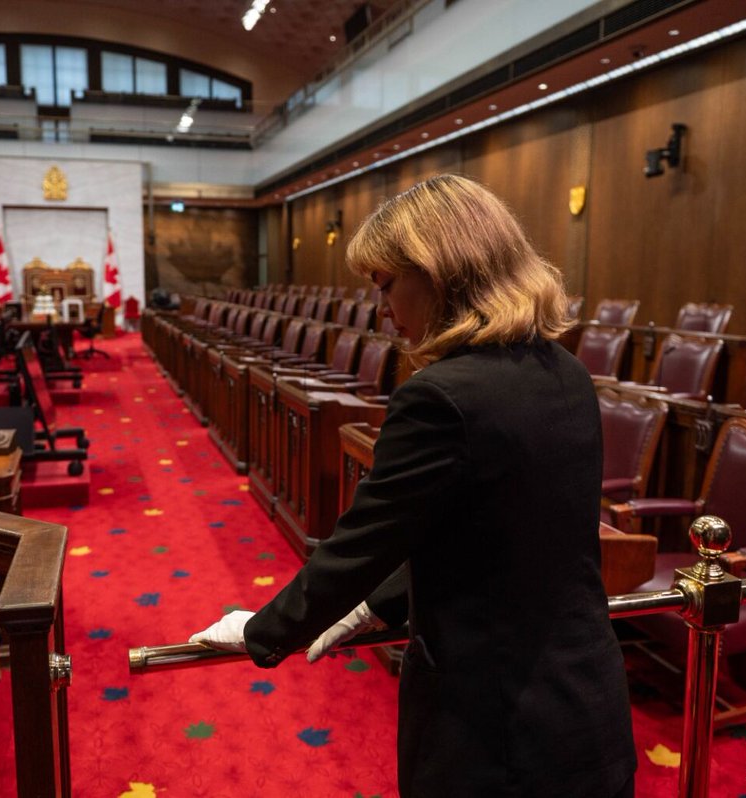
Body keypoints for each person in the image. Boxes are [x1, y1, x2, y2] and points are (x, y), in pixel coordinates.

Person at [191, 174, 636, 797]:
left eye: (385, 284)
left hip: (492, 732)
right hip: (586, 707)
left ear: (438, 273)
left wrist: (264, 629)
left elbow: (358, 545)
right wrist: (379, 605)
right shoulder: (565, 372)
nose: (381, 308)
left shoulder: (440, 398)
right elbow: (499, 532)